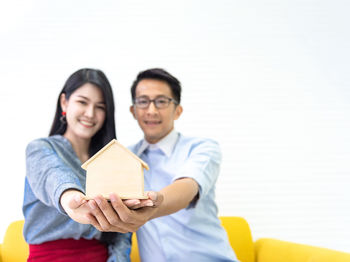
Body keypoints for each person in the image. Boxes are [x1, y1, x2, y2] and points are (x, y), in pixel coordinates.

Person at [87, 68, 238, 262]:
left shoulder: (202, 148)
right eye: (143, 101)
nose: (151, 110)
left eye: (161, 101)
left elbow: (187, 187)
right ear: (133, 111)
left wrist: (153, 208)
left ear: (178, 110)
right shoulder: (123, 158)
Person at [22, 68, 138, 262]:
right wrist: (70, 199)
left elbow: (121, 235)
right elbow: (53, 174)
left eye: (100, 107)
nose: (90, 113)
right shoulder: (40, 149)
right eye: (82, 102)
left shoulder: (111, 161)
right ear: (64, 102)